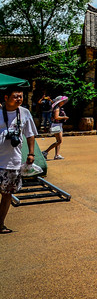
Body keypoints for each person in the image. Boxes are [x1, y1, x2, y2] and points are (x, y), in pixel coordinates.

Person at [1, 87, 37, 235]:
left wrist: (31, 153)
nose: (19, 99)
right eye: (16, 96)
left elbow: (30, 134)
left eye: (21, 97)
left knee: (7, 194)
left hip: (12, 162)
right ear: (5, 97)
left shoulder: (25, 113)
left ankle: (0, 223)